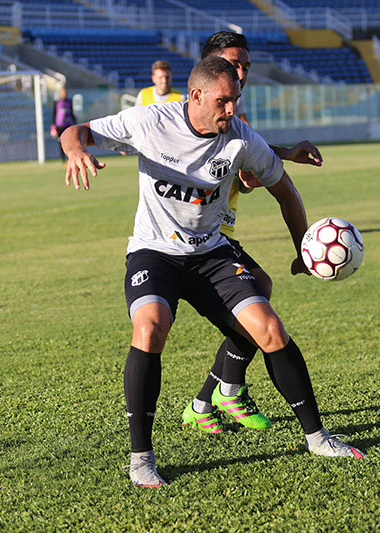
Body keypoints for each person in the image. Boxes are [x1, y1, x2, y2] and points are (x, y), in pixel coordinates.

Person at [61, 56, 363, 488]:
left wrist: (302, 250)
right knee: (150, 327)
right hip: (154, 253)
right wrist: (75, 149)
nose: (231, 110)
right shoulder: (150, 121)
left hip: (210, 255)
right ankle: (141, 459)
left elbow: (286, 192)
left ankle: (317, 438)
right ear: (196, 95)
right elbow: (79, 131)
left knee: (270, 328)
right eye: (223, 101)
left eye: (236, 101)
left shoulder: (240, 137)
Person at [181, 31, 324, 435]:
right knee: (255, 296)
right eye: (233, 63)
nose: (241, 72)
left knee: (256, 295)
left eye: (245, 65)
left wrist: (281, 155)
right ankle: (226, 391)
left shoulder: (232, 117)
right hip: (189, 238)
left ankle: (207, 400)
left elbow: (244, 160)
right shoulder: (194, 111)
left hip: (219, 229)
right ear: (210, 67)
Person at [50, 87, 75, 164]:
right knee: (61, 142)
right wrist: (53, 126)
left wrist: (75, 123)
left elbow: (72, 113)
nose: (64, 94)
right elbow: (54, 114)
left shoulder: (70, 102)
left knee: (70, 142)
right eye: (62, 92)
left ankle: (70, 158)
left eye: (65, 92)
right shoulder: (56, 103)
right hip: (59, 126)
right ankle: (62, 159)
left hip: (68, 125)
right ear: (60, 93)